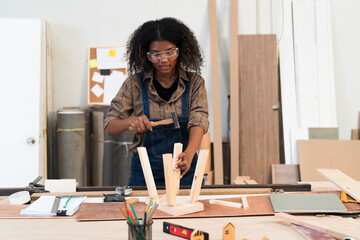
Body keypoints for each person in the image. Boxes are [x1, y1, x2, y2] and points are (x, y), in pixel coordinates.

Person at [105, 17, 209, 186]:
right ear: (146, 55)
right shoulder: (134, 84)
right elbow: (110, 126)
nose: (164, 59)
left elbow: (199, 119)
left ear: (180, 50)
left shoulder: (195, 83)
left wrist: (190, 153)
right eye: (156, 54)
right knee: (144, 212)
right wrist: (130, 121)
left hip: (183, 167)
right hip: (145, 172)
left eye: (170, 52)